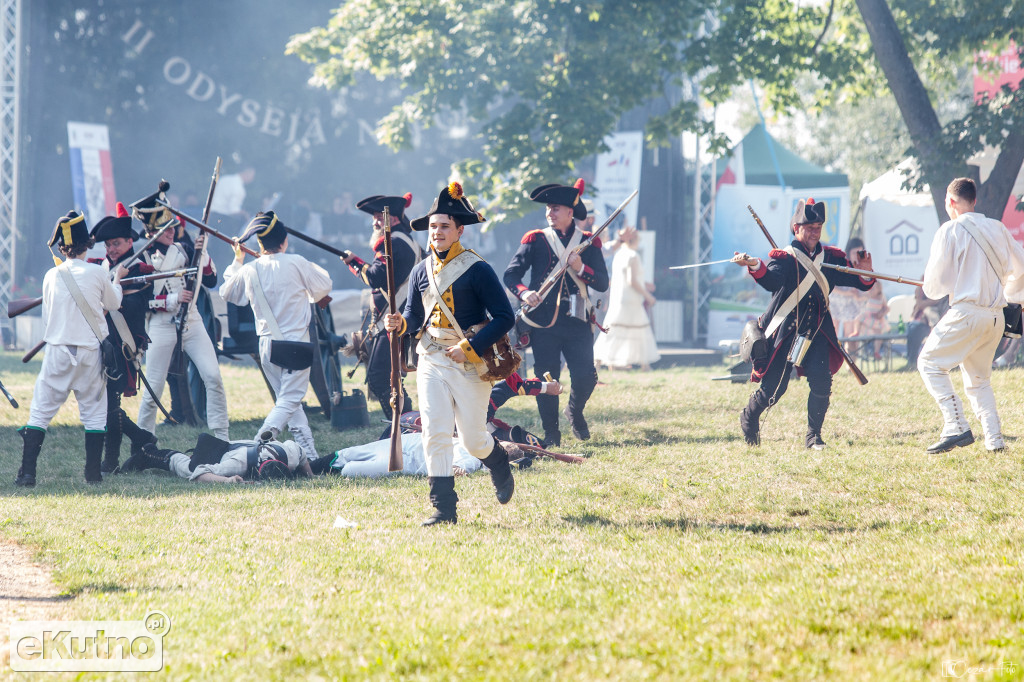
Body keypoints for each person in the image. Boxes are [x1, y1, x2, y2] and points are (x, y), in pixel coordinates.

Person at [383, 181, 517, 526]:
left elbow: (505, 317)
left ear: (459, 230)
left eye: (444, 226)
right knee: (435, 432)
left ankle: (498, 461)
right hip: (431, 358)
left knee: (472, 440)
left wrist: (469, 347)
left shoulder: (478, 269)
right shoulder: (420, 271)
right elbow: (414, 315)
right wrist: (399, 324)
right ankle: (444, 508)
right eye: (433, 227)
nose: (437, 233)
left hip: (470, 364)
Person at [732, 198, 877, 449]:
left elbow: (858, 282)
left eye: (818, 227)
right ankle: (749, 417)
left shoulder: (831, 257)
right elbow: (771, 281)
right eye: (809, 227)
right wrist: (754, 264)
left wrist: (865, 271)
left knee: (822, 381)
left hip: (817, 331)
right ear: (796, 228)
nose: (814, 232)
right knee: (774, 390)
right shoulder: (785, 258)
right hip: (784, 331)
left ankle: (813, 437)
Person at [15, 211, 126, 487]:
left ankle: (27, 473)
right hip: (90, 353)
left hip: (57, 351)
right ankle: (93, 474)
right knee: (94, 413)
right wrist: (117, 281)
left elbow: (48, 319)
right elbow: (113, 304)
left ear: (62, 248)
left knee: (40, 412)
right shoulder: (99, 271)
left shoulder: (51, 275)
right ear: (87, 244)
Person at [917, 177, 1024, 453]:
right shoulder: (998, 228)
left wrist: (944, 283)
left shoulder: (949, 230)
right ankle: (995, 440)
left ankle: (956, 425)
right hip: (995, 317)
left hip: (968, 313)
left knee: (928, 363)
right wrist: (1010, 294)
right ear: (974, 200)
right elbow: (1020, 268)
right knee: (979, 380)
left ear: (951, 202)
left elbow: (934, 287)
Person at [220, 210, 333, 461]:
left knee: (289, 404)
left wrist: (237, 260)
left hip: (267, 346)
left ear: (260, 243)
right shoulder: (296, 262)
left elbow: (227, 292)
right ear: (284, 241)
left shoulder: (250, 269)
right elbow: (324, 285)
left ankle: (311, 456)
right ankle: (257, 444)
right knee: (289, 401)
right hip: (295, 345)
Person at [503, 179, 609, 446]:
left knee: (585, 377)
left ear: (571, 213)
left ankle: (574, 411)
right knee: (547, 378)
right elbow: (511, 275)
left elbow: (602, 283)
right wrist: (525, 293)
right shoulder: (535, 239)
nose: (550, 213)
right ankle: (552, 433)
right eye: (548, 208)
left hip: (578, 321)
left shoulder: (588, 243)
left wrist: (581, 267)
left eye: (556, 208)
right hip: (543, 323)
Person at [131, 195, 230, 442]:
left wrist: (203, 254)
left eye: (173, 227)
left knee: (213, 377)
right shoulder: (140, 257)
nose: (173, 232)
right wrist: (172, 300)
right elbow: (141, 302)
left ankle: (222, 435)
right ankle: (144, 441)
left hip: (192, 322)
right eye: (167, 229)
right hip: (161, 325)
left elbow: (210, 280)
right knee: (153, 387)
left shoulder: (185, 250)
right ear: (152, 230)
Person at [89, 203, 158, 474]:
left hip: (124, 340)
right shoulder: (100, 267)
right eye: (107, 245)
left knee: (111, 402)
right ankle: (140, 439)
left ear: (130, 241)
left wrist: (115, 287)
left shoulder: (141, 268)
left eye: (116, 244)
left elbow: (137, 306)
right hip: (103, 340)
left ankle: (111, 460)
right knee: (107, 402)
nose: (111, 250)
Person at [340, 192, 422, 418]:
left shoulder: (392, 241)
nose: (374, 222)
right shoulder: (405, 240)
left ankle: (404, 425)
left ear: (392, 219)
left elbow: (376, 277)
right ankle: (407, 422)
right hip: (397, 317)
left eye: (378, 217)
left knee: (380, 377)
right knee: (390, 377)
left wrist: (354, 263)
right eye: (375, 217)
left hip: (395, 320)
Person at [120, 431, 312, 483]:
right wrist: (227, 480)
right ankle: (150, 454)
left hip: (237, 446)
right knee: (188, 469)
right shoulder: (238, 464)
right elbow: (199, 473)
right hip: (222, 453)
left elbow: (302, 456)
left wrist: (310, 476)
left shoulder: (291, 455)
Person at [593, 226, 660, 370]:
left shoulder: (620, 254)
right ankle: (644, 364)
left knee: (616, 329)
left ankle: (641, 364)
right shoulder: (633, 256)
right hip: (631, 300)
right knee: (637, 328)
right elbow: (633, 280)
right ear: (635, 240)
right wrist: (648, 297)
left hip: (620, 299)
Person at [829, 237, 889, 358]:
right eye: (854, 253)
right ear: (848, 252)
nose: (857, 256)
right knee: (831, 335)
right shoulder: (841, 264)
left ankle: (851, 366)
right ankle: (830, 363)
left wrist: (859, 297)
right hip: (836, 302)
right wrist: (848, 293)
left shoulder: (865, 268)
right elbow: (831, 286)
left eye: (860, 252)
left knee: (851, 336)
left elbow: (872, 292)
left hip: (854, 306)